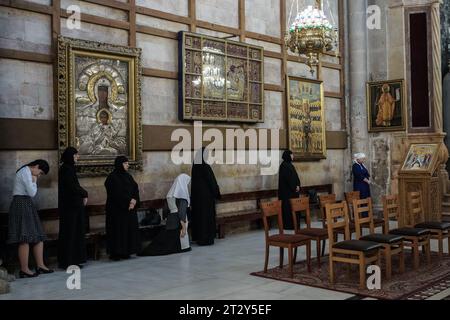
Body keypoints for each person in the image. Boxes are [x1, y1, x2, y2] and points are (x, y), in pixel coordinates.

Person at [7, 159, 53, 278]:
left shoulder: (27, 172)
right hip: (21, 203)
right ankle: (24, 269)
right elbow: (32, 192)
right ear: (36, 166)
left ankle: (40, 265)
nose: (39, 175)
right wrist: (35, 181)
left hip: (26, 203)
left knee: (38, 236)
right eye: (40, 173)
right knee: (24, 238)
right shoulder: (25, 172)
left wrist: (34, 180)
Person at [139, 174, 192, 256]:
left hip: (171, 220)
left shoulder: (170, 193)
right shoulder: (182, 195)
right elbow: (182, 213)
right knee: (175, 243)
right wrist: (184, 228)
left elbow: (166, 209)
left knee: (167, 240)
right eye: (187, 183)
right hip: (178, 221)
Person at [57, 147, 88, 270]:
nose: (77, 157)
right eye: (75, 155)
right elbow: (73, 187)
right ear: (70, 156)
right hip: (70, 207)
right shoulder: (67, 169)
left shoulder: (67, 168)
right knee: (71, 233)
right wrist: (85, 193)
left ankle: (72, 260)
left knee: (73, 232)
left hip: (71, 206)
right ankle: (69, 261)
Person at [105, 156, 140, 261]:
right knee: (117, 231)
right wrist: (128, 201)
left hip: (129, 209)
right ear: (120, 164)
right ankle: (116, 253)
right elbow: (115, 193)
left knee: (127, 230)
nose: (127, 165)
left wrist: (134, 200)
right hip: (117, 210)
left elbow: (135, 188)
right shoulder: (112, 178)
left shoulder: (128, 176)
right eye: (125, 163)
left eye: (127, 163)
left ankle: (126, 251)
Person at [191, 148, 221, 246]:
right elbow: (212, 181)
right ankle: (207, 239)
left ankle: (200, 238)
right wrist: (217, 193)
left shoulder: (195, 167)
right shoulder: (205, 166)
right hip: (206, 199)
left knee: (200, 218)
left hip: (197, 199)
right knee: (206, 218)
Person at [278, 150, 301, 230]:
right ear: (288, 156)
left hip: (293, 193)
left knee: (293, 208)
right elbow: (288, 179)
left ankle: (294, 224)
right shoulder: (284, 166)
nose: (293, 156)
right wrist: (295, 186)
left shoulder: (290, 165)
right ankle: (289, 226)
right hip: (287, 194)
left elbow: (295, 177)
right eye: (291, 154)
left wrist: (298, 184)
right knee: (288, 209)